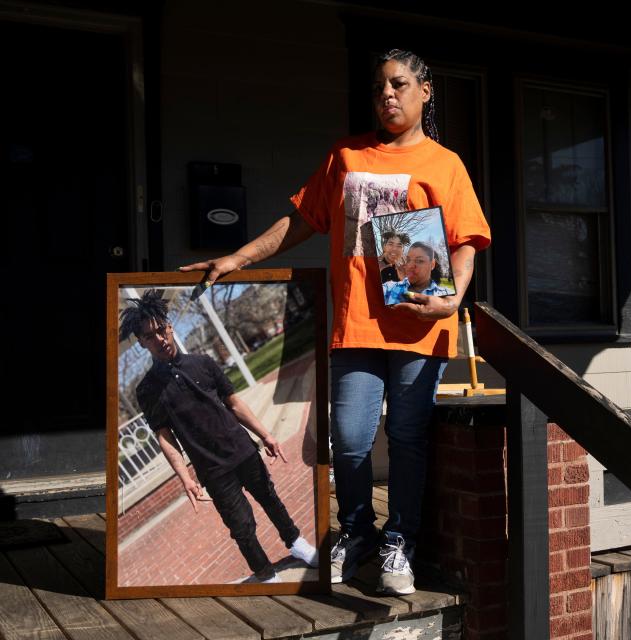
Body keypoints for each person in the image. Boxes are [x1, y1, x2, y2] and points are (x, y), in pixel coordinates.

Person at [180, 49, 491, 596]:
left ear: (426, 91)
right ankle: (356, 530)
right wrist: (239, 258)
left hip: (421, 325)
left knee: (408, 438)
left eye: (398, 85)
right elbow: (302, 220)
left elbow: (464, 245)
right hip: (356, 325)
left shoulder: (446, 165)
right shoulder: (346, 155)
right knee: (348, 441)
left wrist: (453, 299)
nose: (387, 95)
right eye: (378, 88)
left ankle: (401, 542)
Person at [119, 290, 319, 584]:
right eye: (150, 336)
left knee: (271, 499)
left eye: (161, 329)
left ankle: (297, 544)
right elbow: (164, 436)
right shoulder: (147, 390)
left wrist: (266, 435)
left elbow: (235, 404)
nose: (160, 339)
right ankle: (265, 574)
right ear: (142, 343)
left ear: (170, 326)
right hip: (212, 470)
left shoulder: (203, 363)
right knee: (241, 526)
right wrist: (184, 477)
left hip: (242, 450)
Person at [383, 242, 453, 304]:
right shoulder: (389, 288)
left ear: (432, 264)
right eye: (408, 260)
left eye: (419, 261)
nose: (410, 266)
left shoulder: (446, 294)